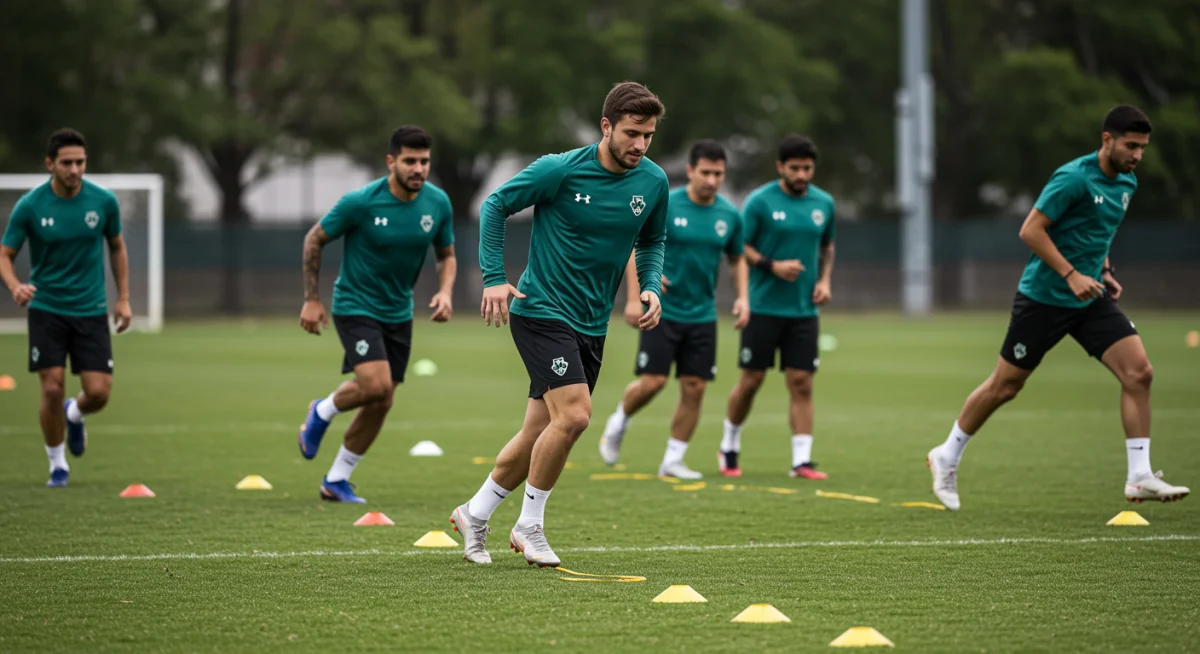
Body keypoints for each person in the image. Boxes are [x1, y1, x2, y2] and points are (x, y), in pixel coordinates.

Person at [449, 81, 668, 567]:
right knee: (574, 416)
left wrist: (649, 284)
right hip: (540, 310)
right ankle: (529, 526)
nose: (640, 145)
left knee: (539, 432)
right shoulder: (559, 169)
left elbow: (652, 242)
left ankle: (474, 512)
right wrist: (491, 277)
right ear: (606, 126)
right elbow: (495, 205)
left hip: (593, 322)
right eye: (632, 133)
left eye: (648, 135)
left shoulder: (653, 182)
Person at [927, 105, 1188, 510]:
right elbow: (1030, 230)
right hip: (1045, 298)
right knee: (1006, 386)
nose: (1137, 155)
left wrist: (1104, 270)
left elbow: (1096, 231)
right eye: (1130, 145)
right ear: (1107, 140)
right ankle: (947, 454)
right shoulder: (1073, 177)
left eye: (1142, 148)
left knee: (1139, 373)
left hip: (1090, 299)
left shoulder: (1127, 183)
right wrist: (1070, 274)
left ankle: (1139, 476)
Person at [296, 125, 456, 504]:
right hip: (355, 305)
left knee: (383, 400)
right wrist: (311, 299)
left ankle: (336, 479)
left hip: (399, 312)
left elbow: (446, 255)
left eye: (424, 161)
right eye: (409, 161)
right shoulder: (361, 202)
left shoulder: (438, 203)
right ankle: (321, 410)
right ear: (391, 162)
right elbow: (314, 238)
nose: (418, 168)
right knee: (375, 385)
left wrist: (446, 292)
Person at [598, 139, 749, 480]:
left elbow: (737, 258)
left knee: (695, 387)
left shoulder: (728, 214)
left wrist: (743, 297)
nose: (712, 180)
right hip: (662, 310)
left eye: (719, 174)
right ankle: (619, 420)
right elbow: (635, 247)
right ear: (692, 171)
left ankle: (673, 459)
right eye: (706, 172)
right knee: (652, 383)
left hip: (703, 314)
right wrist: (636, 297)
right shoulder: (667, 203)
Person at [0, 128, 132, 488]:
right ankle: (58, 465)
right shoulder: (31, 205)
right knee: (52, 388)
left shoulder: (103, 202)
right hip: (47, 309)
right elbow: (4, 254)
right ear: (50, 165)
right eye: (67, 163)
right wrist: (15, 286)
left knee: (99, 393)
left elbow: (117, 247)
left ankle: (74, 414)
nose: (75, 169)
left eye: (80, 162)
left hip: (90, 309)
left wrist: (122, 298)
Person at [719, 134, 836, 480]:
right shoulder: (759, 202)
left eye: (808, 168)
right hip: (764, 307)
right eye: (795, 168)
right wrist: (773, 266)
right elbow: (740, 248)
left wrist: (825, 280)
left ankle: (801, 460)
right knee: (751, 381)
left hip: (803, 311)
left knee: (802, 382)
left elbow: (827, 246)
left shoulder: (824, 203)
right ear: (780, 167)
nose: (802, 175)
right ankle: (729, 445)